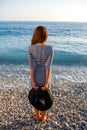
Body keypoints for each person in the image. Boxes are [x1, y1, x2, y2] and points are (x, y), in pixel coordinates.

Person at [28, 26, 53, 123]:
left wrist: (33, 81)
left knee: (35, 95)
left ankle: (37, 115)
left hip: (35, 76)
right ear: (45, 36)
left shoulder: (31, 48)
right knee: (45, 95)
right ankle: (44, 116)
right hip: (45, 76)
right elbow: (48, 67)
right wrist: (46, 82)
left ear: (36, 35)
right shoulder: (50, 48)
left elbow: (31, 67)